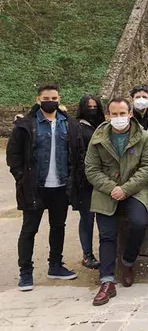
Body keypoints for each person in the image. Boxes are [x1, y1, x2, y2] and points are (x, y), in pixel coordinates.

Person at [8, 84, 81, 291]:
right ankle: (25, 272)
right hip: (34, 186)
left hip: (60, 186)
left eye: (55, 97)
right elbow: (13, 155)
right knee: (29, 229)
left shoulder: (69, 124)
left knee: (58, 227)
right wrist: (21, 178)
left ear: (60, 99)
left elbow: (77, 152)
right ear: (38, 99)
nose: (52, 100)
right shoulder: (26, 125)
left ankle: (55, 265)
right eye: (47, 97)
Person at [85, 97, 148, 306]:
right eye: (114, 114)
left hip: (134, 189)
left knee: (139, 223)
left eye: (122, 113)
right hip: (106, 190)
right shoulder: (97, 138)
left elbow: (147, 167)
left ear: (130, 114)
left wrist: (125, 189)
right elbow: (91, 168)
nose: (118, 118)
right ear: (107, 115)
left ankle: (127, 261)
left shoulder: (143, 137)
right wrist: (111, 188)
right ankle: (107, 282)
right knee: (107, 235)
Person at [74, 94, 105, 270]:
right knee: (87, 218)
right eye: (88, 107)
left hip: (103, 179)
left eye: (95, 107)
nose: (92, 110)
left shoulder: (102, 126)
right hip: (85, 180)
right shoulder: (78, 128)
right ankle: (87, 254)